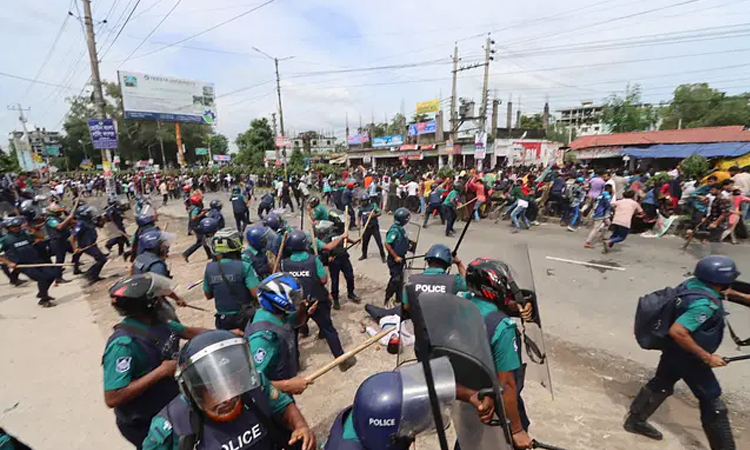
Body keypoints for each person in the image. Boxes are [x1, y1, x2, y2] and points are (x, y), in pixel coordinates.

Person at [624, 256, 745, 449]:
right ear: (722, 281)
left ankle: (635, 421)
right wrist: (708, 357)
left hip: (674, 351)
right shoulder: (704, 306)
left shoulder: (693, 283)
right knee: (712, 400)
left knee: (662, 383)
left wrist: (745, 298)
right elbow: (678, 332)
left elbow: (723, 291)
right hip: (690, 357)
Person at [142, 329, 316, 450]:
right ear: (191, 391)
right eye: (213, 390)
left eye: (230, 385)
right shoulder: (171, 424)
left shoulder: (254, 386)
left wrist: (300, 426)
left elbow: (284, 406)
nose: (226, 398)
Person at [103, 273, 206, 449]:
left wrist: (227, 335)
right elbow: (112, 396)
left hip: (170, 408)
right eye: (157, 298)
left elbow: (188, 331)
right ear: (147, 304)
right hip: (146, 422)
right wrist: (161, 372)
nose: (161, 301)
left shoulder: (160, 323)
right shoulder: (123, 344)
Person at [323, 357, 494, 450]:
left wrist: (470, 395)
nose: (412, 433)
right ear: (389, 437)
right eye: (409, 427)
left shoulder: (368, 412)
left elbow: (425, 392)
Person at [463, 258, 535, 449]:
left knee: (469, 438)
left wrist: (516, 306)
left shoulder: (461, 304)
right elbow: (507, 385)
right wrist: (517, 430)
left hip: (469, 395)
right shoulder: (502, 327)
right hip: (496, 402)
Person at [280, 230, 356, 370]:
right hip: (317, 301)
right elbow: (323, 279)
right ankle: (341, 360)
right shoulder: (313, 259)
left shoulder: (284, 263)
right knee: (329, 329)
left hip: (296, 305)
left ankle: (295, 365)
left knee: (293, 332)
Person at [245, 273, 317, 394]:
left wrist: (305, 311)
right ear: (279, 301)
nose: (299, 301)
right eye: (294, 298)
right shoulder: (262, 338)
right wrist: (288, 385)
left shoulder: (278, 314)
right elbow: (251, 382)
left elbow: (295, 322)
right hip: (271, 399)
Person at [203, 228, 260, 332]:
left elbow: (208, 295)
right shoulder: (245, 266)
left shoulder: (209, 268)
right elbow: (256, 293)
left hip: (223, 319)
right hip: (244, 317)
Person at [0, 216, 58, 307]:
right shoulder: (4, 240)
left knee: (52, 275)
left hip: (36, 259)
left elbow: (41, 236)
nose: (17, 228)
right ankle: (44, 299)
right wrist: (9, 263)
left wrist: (31, 230)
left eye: (18, 226)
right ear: (8, 228)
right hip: (23, 264)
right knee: (42, 278)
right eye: (14, 226)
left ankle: (42, 293)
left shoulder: (24, 233)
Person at [71, 205, 108, 286]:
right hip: (86, 246)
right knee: (102, 259)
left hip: (92, 244)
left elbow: (100, 225)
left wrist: (104, 218)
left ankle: (93, 275)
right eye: (89, 212)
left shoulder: (89, 221)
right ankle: (90, 275)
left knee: (101, 259)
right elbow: (72, 237)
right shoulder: (80, 224)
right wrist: (75, 249)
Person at [44, 203, 76, 284]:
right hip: (57, 241)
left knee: (76, 252)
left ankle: (76, 267)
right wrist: (68, 218)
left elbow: (70, 223)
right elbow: (59, 227)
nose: (60, 213)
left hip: (64, 239)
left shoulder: (59, 218)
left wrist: (69, 216)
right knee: (60, 260)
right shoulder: (50, 220)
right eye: (58, 211)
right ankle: (58, 277)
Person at [384, 208, 411, 305]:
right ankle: (387, 298)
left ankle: (398, 299)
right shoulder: (395, 230)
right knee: (395, 279)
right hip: (395, 259)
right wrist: (395, 257)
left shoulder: (401, 228)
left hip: (401, 258)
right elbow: (387, 244)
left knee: (400, 281)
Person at [357, 193, 385, 262]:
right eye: (363, 201)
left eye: (365, 200)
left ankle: (383, 256)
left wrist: (374, 215)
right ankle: (364, 255)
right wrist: (358, 224)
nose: (364, 202)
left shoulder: (373, 206)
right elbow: (359, 216)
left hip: (374, 227)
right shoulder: (361, 208)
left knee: (379, 242)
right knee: (365, 243)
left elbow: (379, 213)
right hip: (366, 228)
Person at [585, 184, 613, 250]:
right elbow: (608, 205)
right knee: (596, 228)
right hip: (601, 213)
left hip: (597, 212)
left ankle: (602, 236)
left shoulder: (599, 194)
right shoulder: (607, 196)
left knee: (608, 223)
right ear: (609, 189)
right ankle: (588, 242)